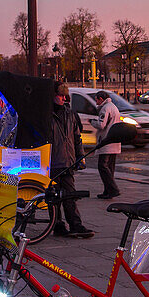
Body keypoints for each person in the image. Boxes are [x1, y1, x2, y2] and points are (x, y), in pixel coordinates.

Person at [49, 81, 93, 238]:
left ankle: (75, 224)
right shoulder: (46, 115)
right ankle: (57, 225)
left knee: (70, 195)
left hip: (68, 161)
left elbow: (76, 137)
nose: (63, 98)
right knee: (54, 197)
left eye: (64, 95)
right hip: (52, 161)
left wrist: (80, 156)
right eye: (60, 95)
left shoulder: (70, 114)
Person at [91, 90, 122, 199]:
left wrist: (92, 121)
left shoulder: (105, 108)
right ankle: (107, 191)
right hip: (114, 141)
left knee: (102, 166)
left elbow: (101, 125)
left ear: (101, 99)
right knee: (110, 167)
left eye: (97, 100)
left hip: (106, 142)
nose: (96, 102)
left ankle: (113, 189)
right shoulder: (113, 106)